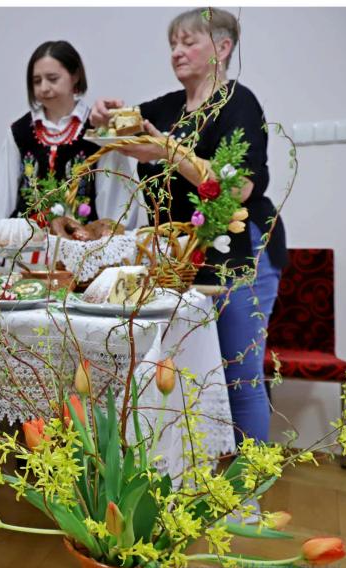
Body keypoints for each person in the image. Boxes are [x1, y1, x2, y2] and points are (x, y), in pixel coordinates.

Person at [90, 8, 288, 445]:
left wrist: (168, 150)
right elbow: (115, 128)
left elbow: (236, 189)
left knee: (239, 375)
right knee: (181, 369)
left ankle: (249, 486)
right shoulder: (166, 108)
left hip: (240, 250)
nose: (177, 52)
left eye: (188, 42)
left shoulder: (239, 103)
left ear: (222, 47)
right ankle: (192, 475)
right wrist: (99, 114)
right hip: (179, 256)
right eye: (173, 44)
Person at [0, 40, 137, 236]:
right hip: (27, 248)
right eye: (36, 81)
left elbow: (116, 207)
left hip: (83, 246)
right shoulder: (20, 132)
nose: (44, 88)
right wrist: (2, 238)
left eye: (52, 78)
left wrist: (104, 243)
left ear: (75, 76)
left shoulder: (97, 131)